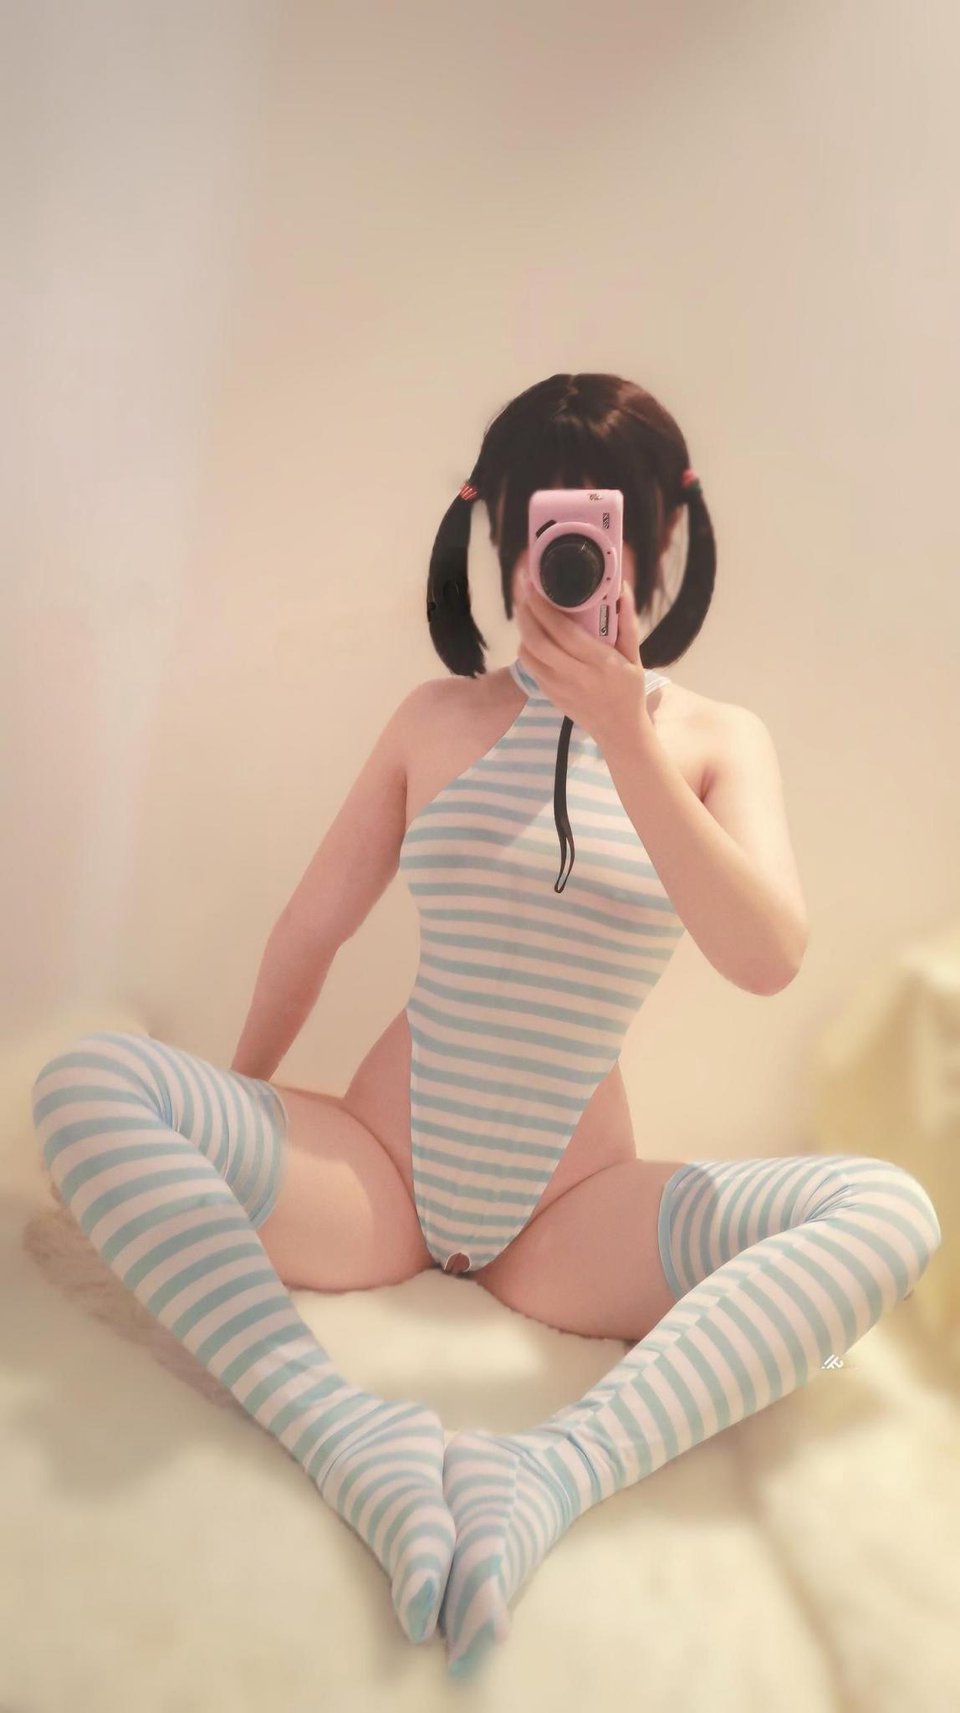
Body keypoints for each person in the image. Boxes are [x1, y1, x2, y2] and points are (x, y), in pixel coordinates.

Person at [30, 372, 941, 1677]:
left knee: (890, 1215)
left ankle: (548, 1472)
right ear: (500, 532)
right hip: (377, 1176)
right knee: (84, 1087)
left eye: (595, 532)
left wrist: (626, 732)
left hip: (570, 1219)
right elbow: (310, 929)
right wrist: (226, 1123)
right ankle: (346, 1435)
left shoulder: (714, 742)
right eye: (537, 531)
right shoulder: (434, 719)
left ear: (656, 541)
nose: (561, 565)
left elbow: (767, 955)